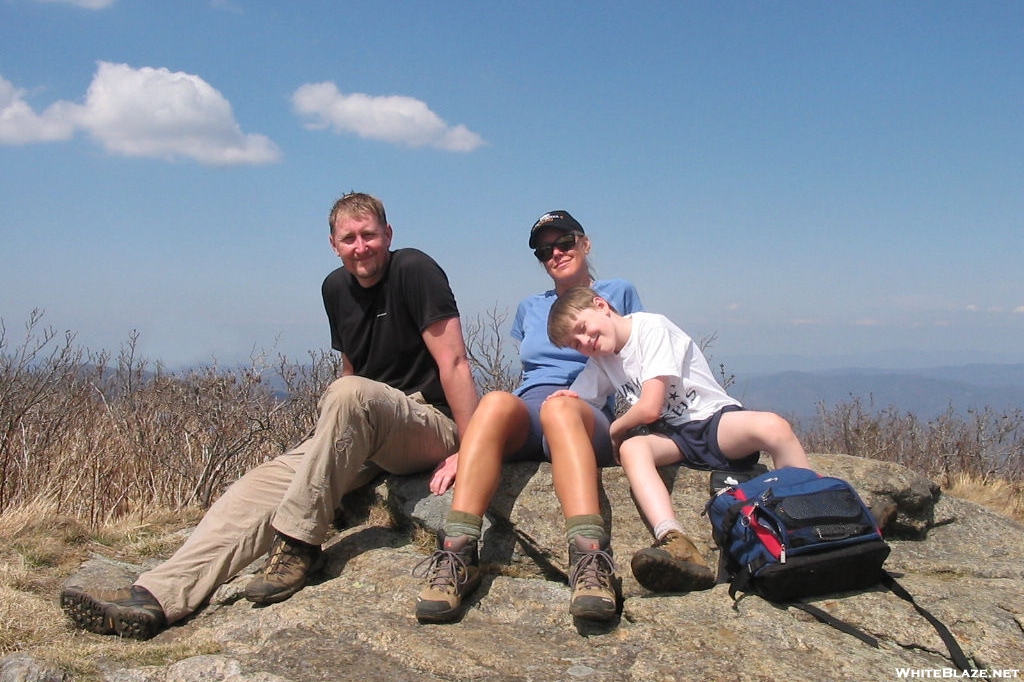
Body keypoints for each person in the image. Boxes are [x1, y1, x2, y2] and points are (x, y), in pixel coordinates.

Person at [61, 192, 479, 639]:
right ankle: (156, 598)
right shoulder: (334, 288)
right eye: (349, 238)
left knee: (348, 393)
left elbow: (453, 362)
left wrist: (470, 449)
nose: (361, 247)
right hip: (361, 422)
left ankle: (299, 544)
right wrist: (327, 454)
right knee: (253, 491)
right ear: (334, 244)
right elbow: (354, 367)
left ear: (388, 234)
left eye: (369, 235)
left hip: (426, 421)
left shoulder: (414, 269)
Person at [413, 211, 642, 623]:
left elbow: (637, 352)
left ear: (584, 243)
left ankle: (590, 561)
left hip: (585, 410)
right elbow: (531, 373)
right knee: (497, 401)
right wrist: (475, 448)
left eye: (565, 243)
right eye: (544, 250)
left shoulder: (614, 292)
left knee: (559, 407)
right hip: (531, 410)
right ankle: (457, 556)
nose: (555, 253)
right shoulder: (530, 308)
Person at [544, 286, 811, 596]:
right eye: (576, 344)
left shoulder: (651, 328)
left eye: (583, 329)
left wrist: (616, 429)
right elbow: (581, 396)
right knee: (634, 449)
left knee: (773, 427)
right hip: (673, 437)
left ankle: (806, 508)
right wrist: (564, 397)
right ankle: (673, 538)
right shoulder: (602, 358)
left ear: (601, 306)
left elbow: (650, 406)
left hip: (712, 422)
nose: (586, 342)